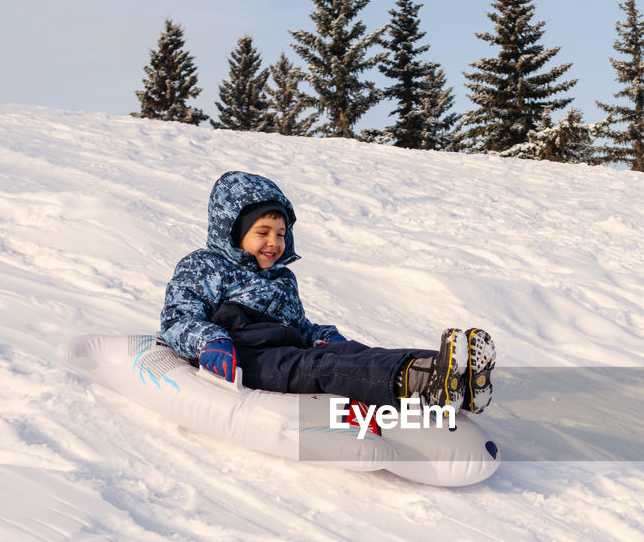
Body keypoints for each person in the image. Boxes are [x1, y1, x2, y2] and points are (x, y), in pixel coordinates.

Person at [160, 171, 494, 413]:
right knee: (321, 367)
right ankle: (419, 382)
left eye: (280, 233)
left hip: (286, 349)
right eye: (262, 232)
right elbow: (177, 319)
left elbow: (297, 326)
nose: (274, 242)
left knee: (351, 352)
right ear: (231, 231)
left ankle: (449, 371)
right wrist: (210, 341)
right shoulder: (202, 266)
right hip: (245, 357)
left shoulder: (282, 278)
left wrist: (322, 335)